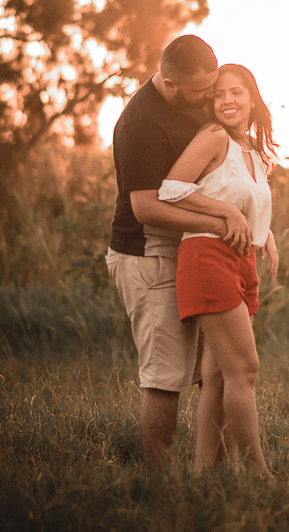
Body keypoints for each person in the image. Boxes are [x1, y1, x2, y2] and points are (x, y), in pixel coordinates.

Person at [105, 36, 252, 467]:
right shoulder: (142, 125)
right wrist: (224, 222)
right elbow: (146, 208)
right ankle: (159, 481)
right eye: (201, 92)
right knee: (166, 377)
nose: (209, 98)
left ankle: (215, 474)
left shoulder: (195, 99)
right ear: (170, 84)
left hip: (196, 252)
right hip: (148, 255)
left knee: (217, 370)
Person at [158, 63, 279, 477]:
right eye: (219, 94)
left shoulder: (252, 150)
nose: (227, 100)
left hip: (241, 259)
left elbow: (248, 207)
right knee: (244, 369)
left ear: (252, 99)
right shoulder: (213, 137)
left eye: (237, 92)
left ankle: (200, 472)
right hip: (207, 256)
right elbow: (171, 189)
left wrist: (265, 234)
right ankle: (256, 472)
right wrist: (225, 210)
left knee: (215, 374)